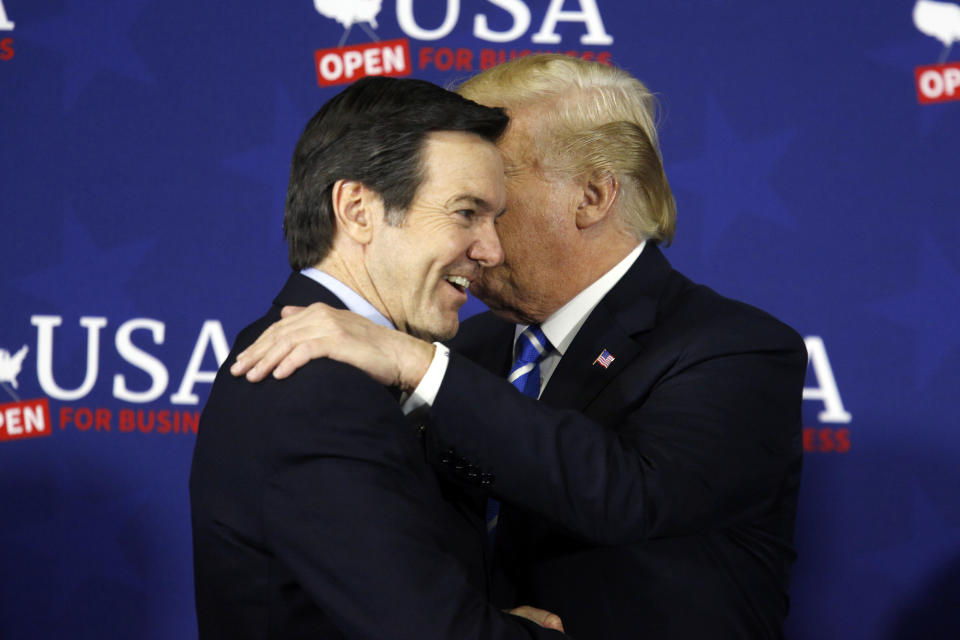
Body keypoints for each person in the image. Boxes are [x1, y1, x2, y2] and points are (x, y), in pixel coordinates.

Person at [232, 55, 807, 639]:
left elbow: (634, 496)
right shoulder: (470, 349)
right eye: (464, 203)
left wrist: (421, 366)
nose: (475, 238)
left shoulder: (737, 350)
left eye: (493, 196)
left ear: (591, 195)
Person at [189, 76, 568, 639]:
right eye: (466, 213)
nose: (492, 251)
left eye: (496, 219)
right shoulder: (315, 388)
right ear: (358, 209)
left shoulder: (337, 371)